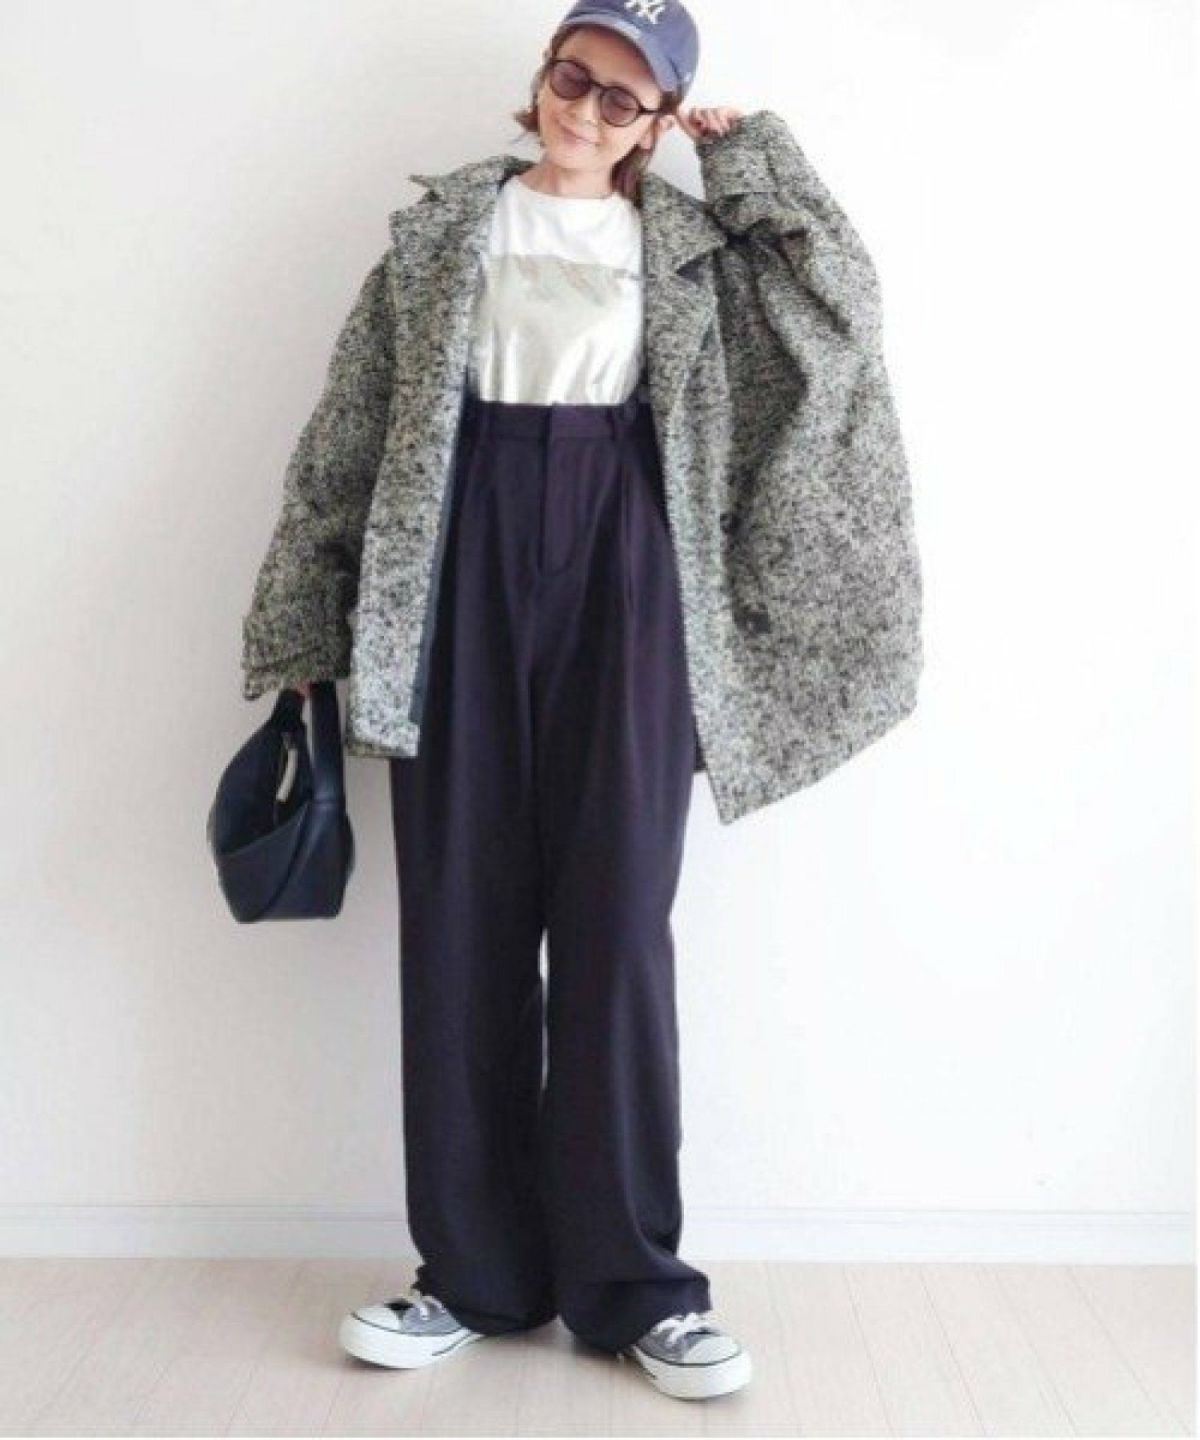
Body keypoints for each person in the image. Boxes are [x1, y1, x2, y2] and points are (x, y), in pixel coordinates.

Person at [243, 0, 922, 1405]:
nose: (588, 111)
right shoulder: (441, 234)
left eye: (625, 99)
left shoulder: (697, 250)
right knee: (462, 921)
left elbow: (843, 306)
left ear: (660, 121)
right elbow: (350, 428)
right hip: (455, 560)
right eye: (574, 77)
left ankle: (638, 1290)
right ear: (542, 75)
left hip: (632, 563)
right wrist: (308, 613)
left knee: (617, 930)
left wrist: (758, 163)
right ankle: (472, 1277)